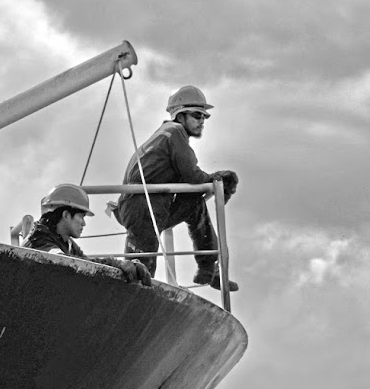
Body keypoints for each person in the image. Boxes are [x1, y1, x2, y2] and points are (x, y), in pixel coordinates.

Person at [115, 85, 240, 291]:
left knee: (194, 202)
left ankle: (209, 268)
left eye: (204, 117)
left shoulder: (165, 134)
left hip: (145, 206)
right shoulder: (174, 132)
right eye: (197, 115)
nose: (202, 121)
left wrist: (212, 182)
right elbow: (192, 175)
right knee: (139, 277)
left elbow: (187, 178)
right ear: (180, 116)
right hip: (143, 208)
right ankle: (206, 268)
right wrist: (217, 181)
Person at [22, 183, 152, 286]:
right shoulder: (41, 240)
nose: (84, 224)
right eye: (81, 217)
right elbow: (61, 262)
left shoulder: (66, 243)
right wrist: (118, 264)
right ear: (66, 215)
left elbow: (87, 264)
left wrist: (121, 264)